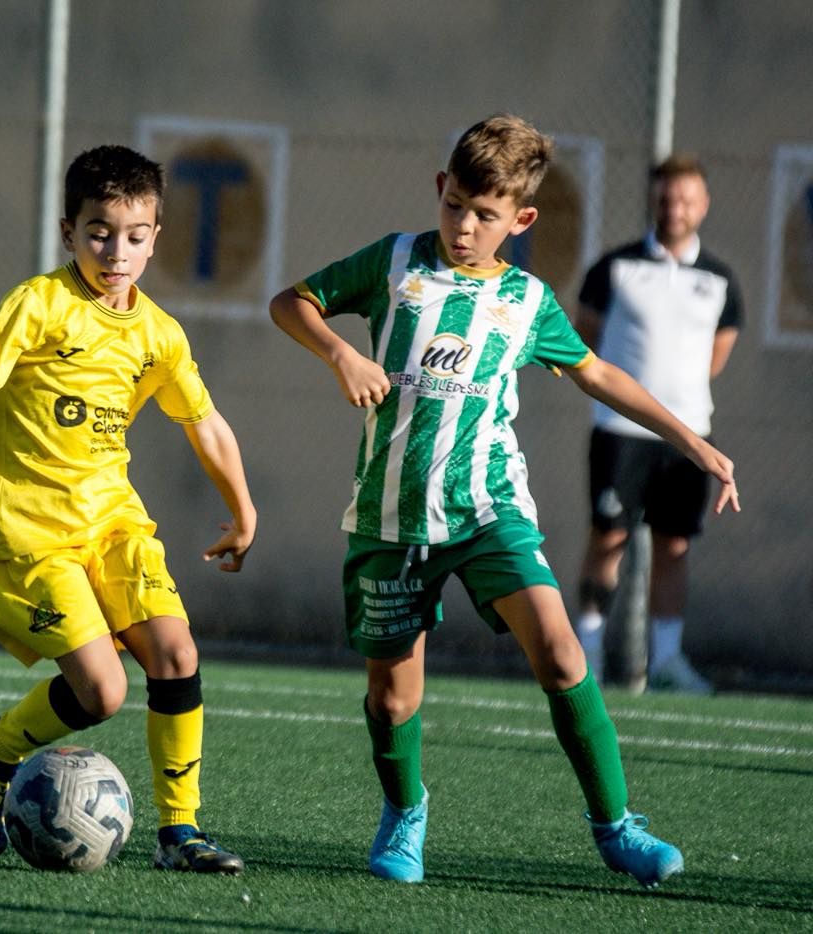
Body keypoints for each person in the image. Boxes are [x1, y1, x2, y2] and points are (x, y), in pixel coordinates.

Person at [268, 115, 738, 888]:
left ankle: (616, 826)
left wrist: (693, 441)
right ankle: (405, 812)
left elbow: (598, 374)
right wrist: (342, 353)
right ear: (439, 189)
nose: (464, 225)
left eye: (486, 215)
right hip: (391, 513)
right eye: (455, 205)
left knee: (559, 651)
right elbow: (293, 302)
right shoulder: (392, 262)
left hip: (487, 507)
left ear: (520, 220)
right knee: (391, 700)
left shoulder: (526, 301)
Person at [0, 145, 256, 874]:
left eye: (134, 235)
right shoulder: (38, 305)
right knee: (103, 690)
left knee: (177, 653)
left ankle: (182, 833)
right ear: (69, 231)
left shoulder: (159, 333)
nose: (116, 251)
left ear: (156, 235)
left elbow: (206, 423)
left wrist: (242, 508)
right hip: (27, 532)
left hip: (113, 522)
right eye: (99, 232)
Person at [572, 154, 742, 694]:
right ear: (653, 200)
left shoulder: (721, 281)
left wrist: (677, 409)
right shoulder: (615, 267)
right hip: (620, 435)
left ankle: (666, 661)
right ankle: (588, 654)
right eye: (667, 198)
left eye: (686, 199)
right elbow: (586, 338)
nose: (675, 209)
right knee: (609, 537)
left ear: (704, 204)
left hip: (690, 439)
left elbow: (716, 356)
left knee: (674, 546)